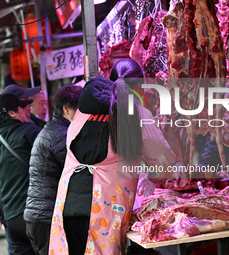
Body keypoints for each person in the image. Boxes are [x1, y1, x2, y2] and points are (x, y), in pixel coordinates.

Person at [48, 59, 177, 255]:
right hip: (104, 208)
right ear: (141, 87)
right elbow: (164, 162)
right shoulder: (137, 113)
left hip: (67, 202)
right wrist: (153, 176)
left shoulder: (83, 109)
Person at [24, 85, 82, 255]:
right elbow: (75, 170)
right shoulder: (60, 134)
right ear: (66, 109)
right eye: (80, 109)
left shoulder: (53, 129)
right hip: (45, 218)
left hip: (39, 215)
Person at [0, 93, 40, 255]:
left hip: (12, 219)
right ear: (12, 113)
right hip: (37, 214)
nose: (26, 111)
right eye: (23, 108)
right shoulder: (30, 131)